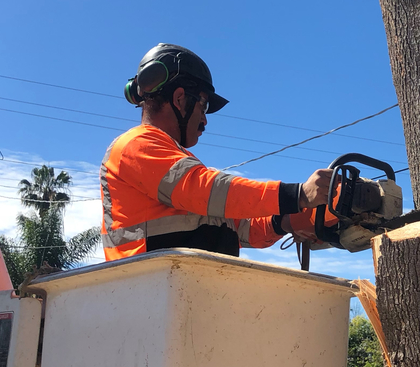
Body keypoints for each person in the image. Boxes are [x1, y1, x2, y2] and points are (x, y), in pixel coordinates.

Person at [101, 43, 330, 260]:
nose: (204, 121)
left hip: (184, 290)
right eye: (204, 106)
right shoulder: (135, 145)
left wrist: (286, 221)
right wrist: (298, 195)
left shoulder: (183, 175)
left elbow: (242, 227)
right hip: (147, 291)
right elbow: (203, 189)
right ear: (180, 99)